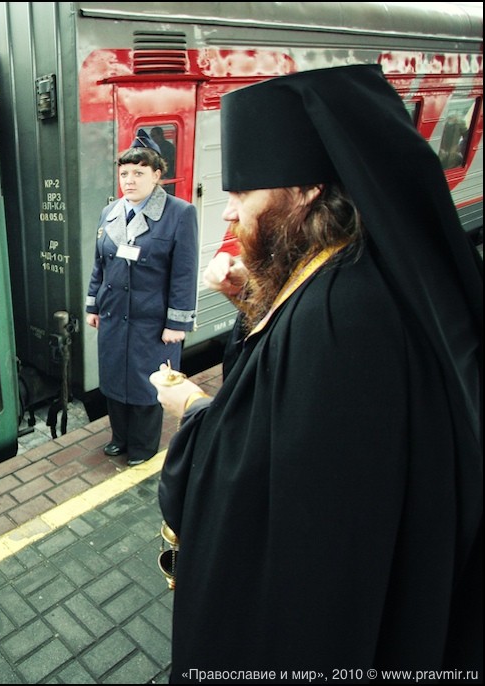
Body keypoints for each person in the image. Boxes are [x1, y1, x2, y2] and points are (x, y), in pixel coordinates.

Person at [150, 65, 482, 680]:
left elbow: (256, 479)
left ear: (305, 191)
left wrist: (192, 411)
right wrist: (251, 302)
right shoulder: (349, 267)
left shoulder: (340, 318)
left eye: (241, 194)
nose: (227, 214)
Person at [84, 129, 198, 466]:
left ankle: (143, 448)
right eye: (124, 174)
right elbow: (100, 264)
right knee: (114, 379)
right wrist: (93, 305)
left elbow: (184, 273)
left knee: (147, 385)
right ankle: (120, 438)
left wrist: (177, 323)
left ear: (157, 175)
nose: (129, 181)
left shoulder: (179, 213)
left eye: (138, 173)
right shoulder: (111, 211)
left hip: (152, 319)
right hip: (114, 314)